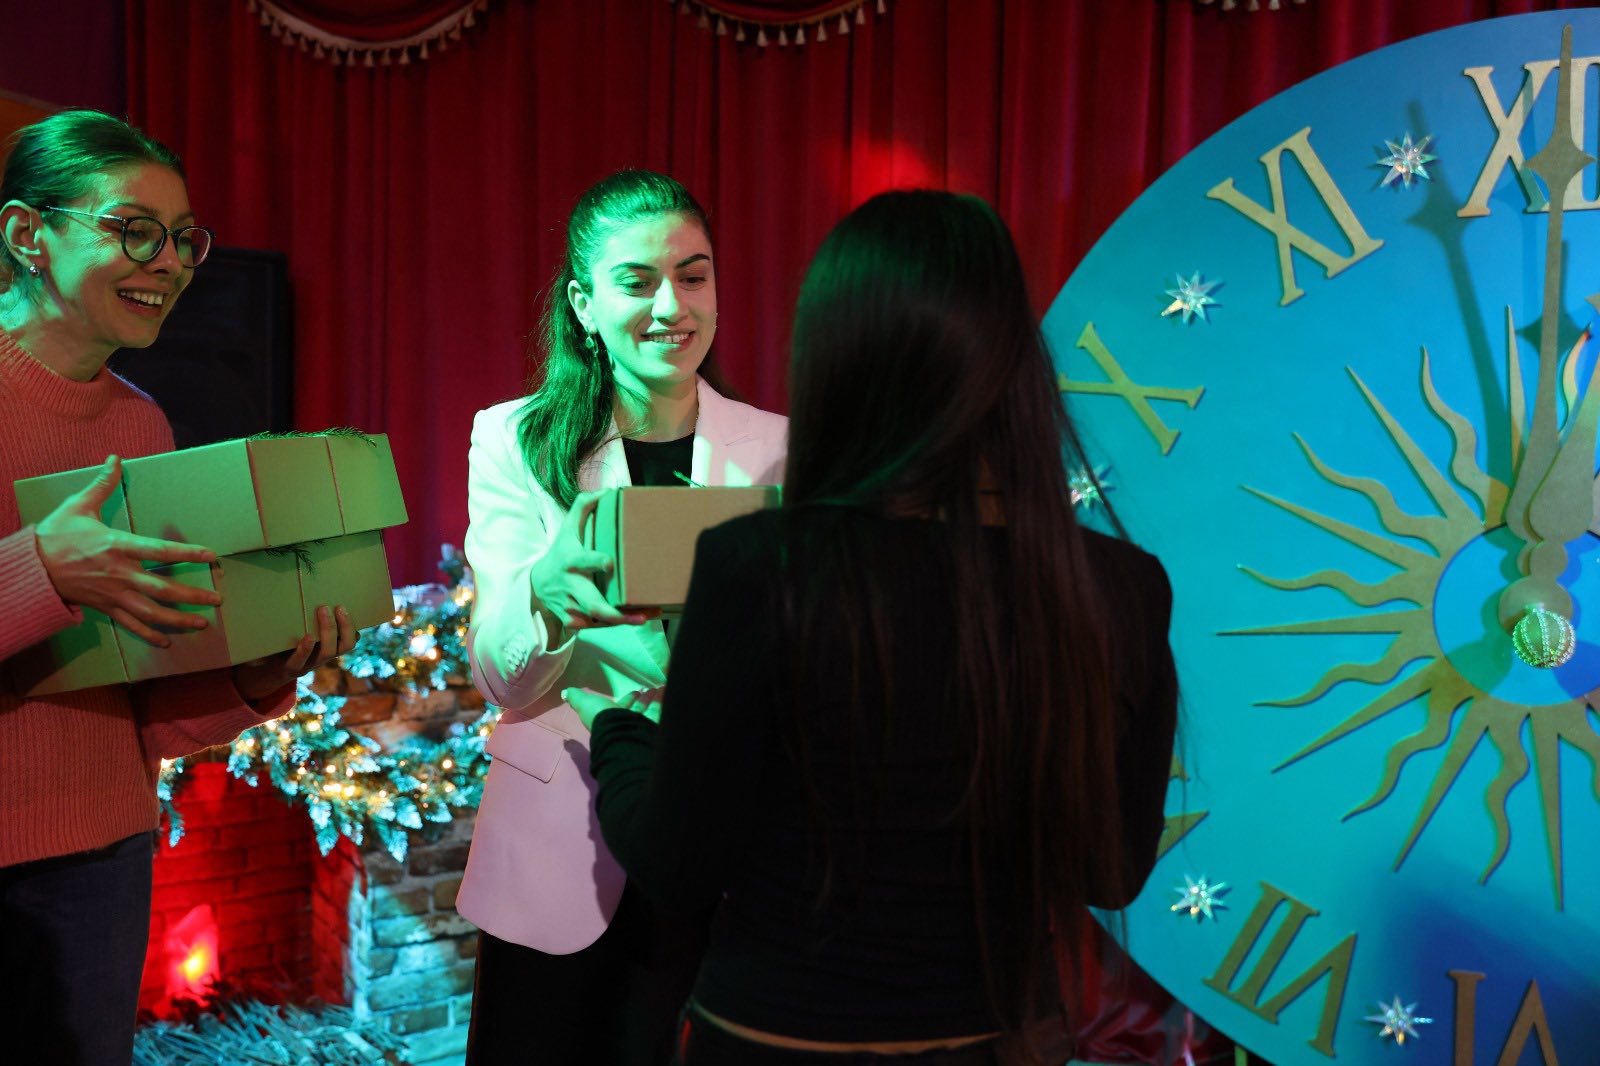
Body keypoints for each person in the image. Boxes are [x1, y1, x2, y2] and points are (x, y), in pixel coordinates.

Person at [568, 190, 1179, 1064]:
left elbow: (680, 865)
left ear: (834, 361)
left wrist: (618, 728)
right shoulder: (1119, 584)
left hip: (778, 1042)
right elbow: (1108, 872)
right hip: (998, 1041)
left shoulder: (758, 567)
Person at [0, 110, 358, 1065]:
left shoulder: (143, 425)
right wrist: (41, 569)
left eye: (183, 238)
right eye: (134, 231)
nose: (168, 263)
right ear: (29, 235)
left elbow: (140, 705)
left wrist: (254, 673)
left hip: (100, 858)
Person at [458, 169, 787, 1064]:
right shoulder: (515, 438)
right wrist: (549, 596)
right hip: (557, 839)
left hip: (715, 837)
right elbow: (499, 678)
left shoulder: (778, 447)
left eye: (693, 275)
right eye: (637, 281)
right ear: (585, 305)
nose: (671, 306)